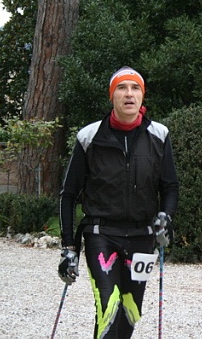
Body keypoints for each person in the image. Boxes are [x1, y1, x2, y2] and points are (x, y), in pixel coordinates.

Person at [58, 66, 179, 339]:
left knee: (129, 313)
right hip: (101, 234)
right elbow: (68, 194)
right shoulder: (89, 137)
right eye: (122, 88)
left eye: (135, 88)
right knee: (108, 308)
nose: (129, 94)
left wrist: (166, 216)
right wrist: (68, 248)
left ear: (142, 96)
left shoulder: (159, 135)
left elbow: (170, 186)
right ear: (112, 96)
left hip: (142, 237)